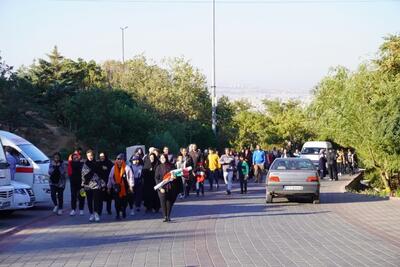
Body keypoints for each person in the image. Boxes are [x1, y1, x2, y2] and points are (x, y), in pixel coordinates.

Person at [155, 154, 182, 222]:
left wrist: (175, 177)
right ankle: (164, 216)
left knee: (169, 201)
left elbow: (176, 174)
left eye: (163, 157)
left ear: (166, 158)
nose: (162, 159)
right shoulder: (158, 167)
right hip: (161, 187)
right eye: (161, 158)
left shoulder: (171, 166)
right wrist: (160, 188)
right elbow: (156, 178)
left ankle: (168, 216)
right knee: (163, 201)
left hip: (170, 187)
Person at [107, 154, 134, 220]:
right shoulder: (113, 168)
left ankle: (124, 210)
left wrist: (131, 186)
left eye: (120, 159)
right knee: (117, 202)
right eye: (117, 159)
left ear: (123, 160)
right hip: (116, 188)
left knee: (124, 202)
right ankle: (118, 214)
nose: (119, 160)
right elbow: (110, 178)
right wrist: (109, 187)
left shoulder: (127, 168)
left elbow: (131, 177)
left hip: (125, 188)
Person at [82, 149, 105, 222]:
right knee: (89, 200)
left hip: (97, 184)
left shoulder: (97, 163)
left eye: (91, 155)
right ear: (86, 156)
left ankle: (96, 213)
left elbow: (101, 174)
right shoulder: (85, 164)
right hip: (88, 185)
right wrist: (83, 186)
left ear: (93, 156)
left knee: (96, 200)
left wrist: (103, 184)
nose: (90, 157)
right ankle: (91, 213)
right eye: (88, 156)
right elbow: (83, 175)